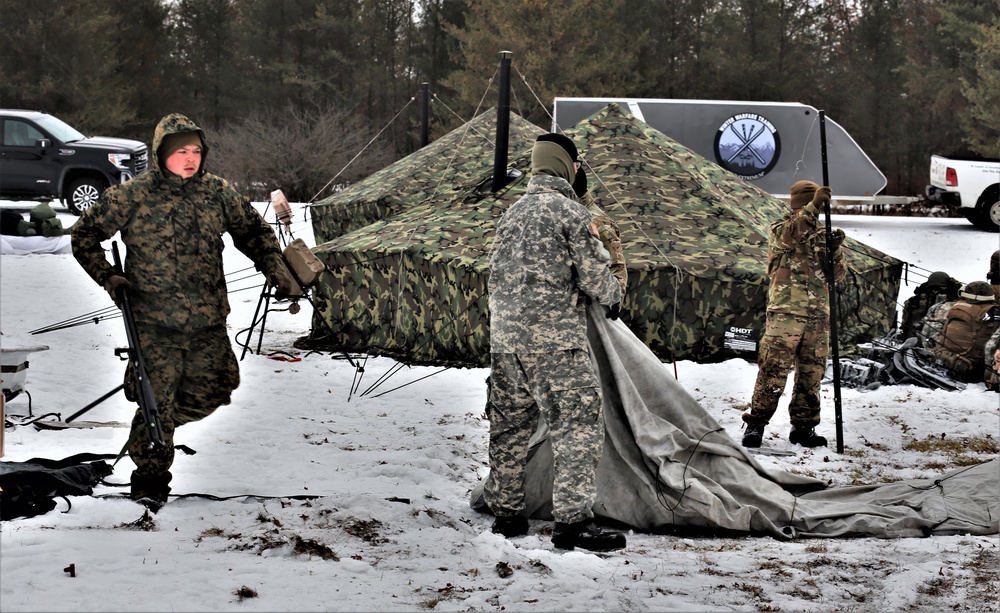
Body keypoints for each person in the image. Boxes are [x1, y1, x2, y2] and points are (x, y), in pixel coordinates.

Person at [72, 113, 297, 511]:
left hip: (207, 318)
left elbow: (253, 231)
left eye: (195, 150)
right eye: (180, 152)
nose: (190, 158)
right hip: (153, 321)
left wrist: (274, 265)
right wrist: (109, 277)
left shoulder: (217, 192)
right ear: (161, 154)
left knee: (217, 388)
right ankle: (150, 479)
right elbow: (84, 236)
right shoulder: (133, 195)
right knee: (156, 403)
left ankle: (158, 427)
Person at [485, 132, 624, 552]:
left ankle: (508, 516)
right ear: (567, 166)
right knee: (577, 427)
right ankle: (572, 524)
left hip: (505, 341)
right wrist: (616, 293)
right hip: (555, 342)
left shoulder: (510, 214)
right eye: (577, 163)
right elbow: (597, 279)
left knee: (508, 427)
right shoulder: (572, 213)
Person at [741, 180, 846, 449]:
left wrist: (834, 249)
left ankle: (804, 427)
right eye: (812, 205)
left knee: (812, 374)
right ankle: (756, 425)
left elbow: (838, 276)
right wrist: (813, 207)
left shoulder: (822, 234)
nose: (815, 212)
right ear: (801, 204)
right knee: (773, 371)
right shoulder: (781, 228)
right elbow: (791, 236)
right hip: (786, 314)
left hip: (817, 316)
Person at [930, 280, 999, 383]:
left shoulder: (955, 306)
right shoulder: (993, 312)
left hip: (942, 359)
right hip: (973, 369)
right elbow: (990, 346)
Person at [899, 271, 961, 342]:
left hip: (939, 336)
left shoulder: (955, 299)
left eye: (943, 287)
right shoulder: (914, 301)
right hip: (919, 336)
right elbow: (906, 321)